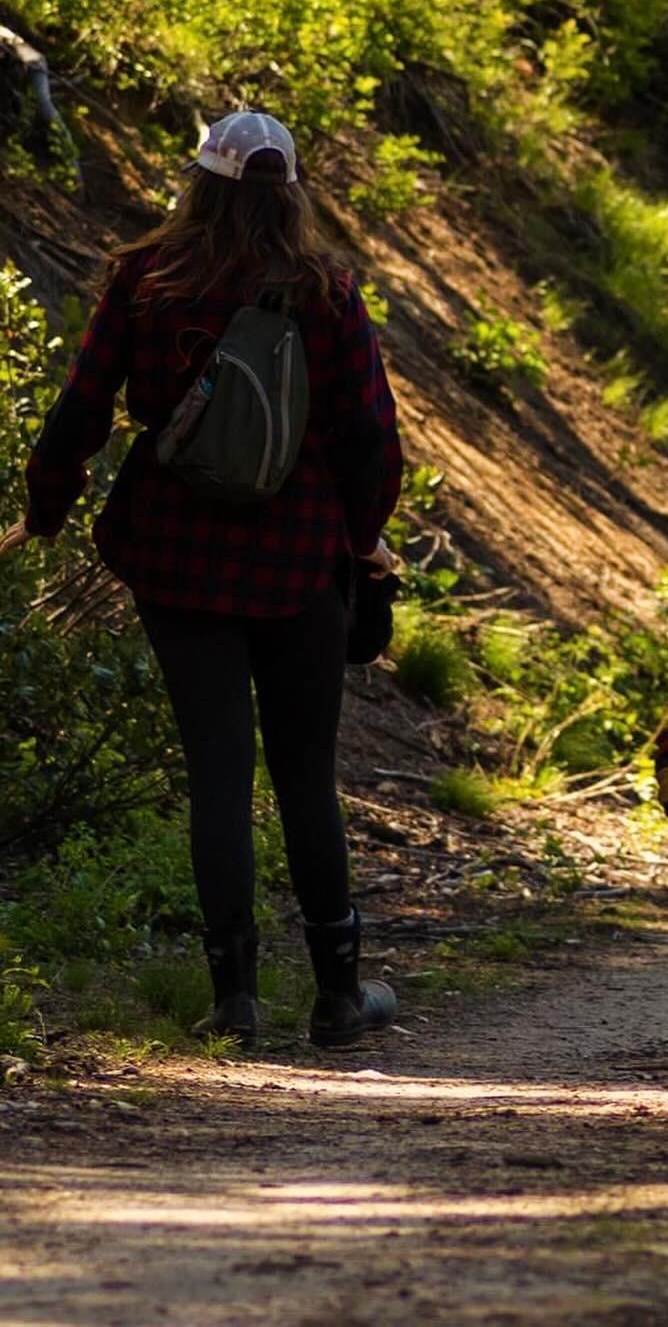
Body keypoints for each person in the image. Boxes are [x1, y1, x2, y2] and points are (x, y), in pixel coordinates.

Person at [0, 112, 404, 1050]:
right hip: (302, 562)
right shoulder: (326, 291)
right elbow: (371, 443)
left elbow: (79, 413)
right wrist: (364, 540)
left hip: (178, 560)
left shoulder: (146, 280)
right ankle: (341, 996)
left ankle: (235, 1000)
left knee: (217, 774)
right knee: (307, 778)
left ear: (199, 183)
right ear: (292, 191)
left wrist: (47, 511)